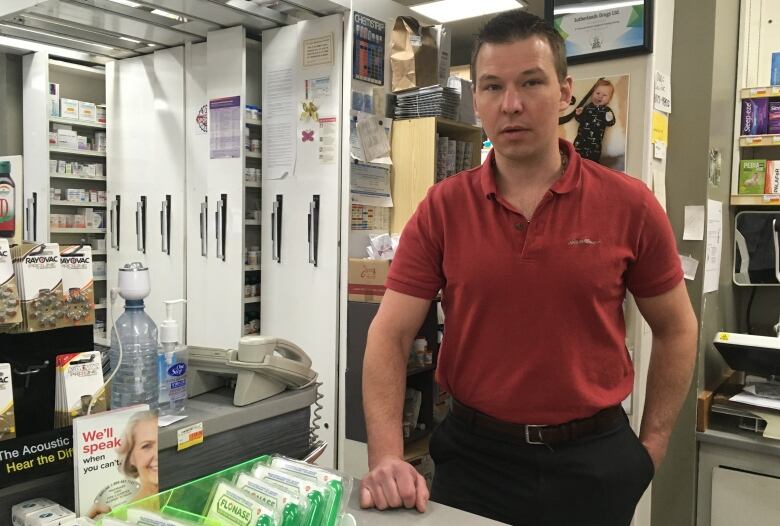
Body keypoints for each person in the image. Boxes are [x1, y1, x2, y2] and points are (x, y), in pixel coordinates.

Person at [359, 9, 696, 526]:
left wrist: (648, 448)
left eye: (531, 82)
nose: (511, 104)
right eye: (492, 86)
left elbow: (676, 329)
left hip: (594, 463)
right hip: (474, 461)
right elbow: (389, 336)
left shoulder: (630, 204)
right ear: (477, 102)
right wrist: (385, 456)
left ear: (564, 92)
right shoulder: (443, 208)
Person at [574, 79, 616, 163]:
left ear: (609, 99)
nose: (600, 96)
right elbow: (580, 120)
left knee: (593, 162)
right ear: (592, 93)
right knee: (575, 157)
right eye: (597, 93)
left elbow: (611, 123)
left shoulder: (606, 111)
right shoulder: (587, 107)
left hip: (595, 144)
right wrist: (578, 114)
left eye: (604, 95)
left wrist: (609, 117)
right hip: (580, 141)